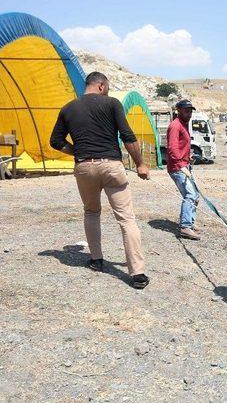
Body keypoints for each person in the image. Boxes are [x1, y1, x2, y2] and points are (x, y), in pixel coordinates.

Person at [50, 71, 151, 289]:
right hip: (111, 165)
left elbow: (55, 141)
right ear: (102, 86)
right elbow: (127, 136)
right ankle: (138, 273)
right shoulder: (111, 104)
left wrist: (77, 151)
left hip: (84, 167)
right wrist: (140, 164)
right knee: (126, 218)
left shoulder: (68, 108)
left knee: (91, 212)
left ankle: (96, 259)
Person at [167, 99, 201, 240]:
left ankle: (190, 222)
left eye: (190, 111)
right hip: (177, 167)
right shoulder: (175, 126)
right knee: (190, 195)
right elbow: (172, 148)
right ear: (179, 111)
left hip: (184, 164)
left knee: (196, 195)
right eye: (186, 111)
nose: (189, 114)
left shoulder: (184, 124)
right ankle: (185, 227)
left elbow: (181, 146)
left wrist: (188, 155)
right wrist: (181, 165)